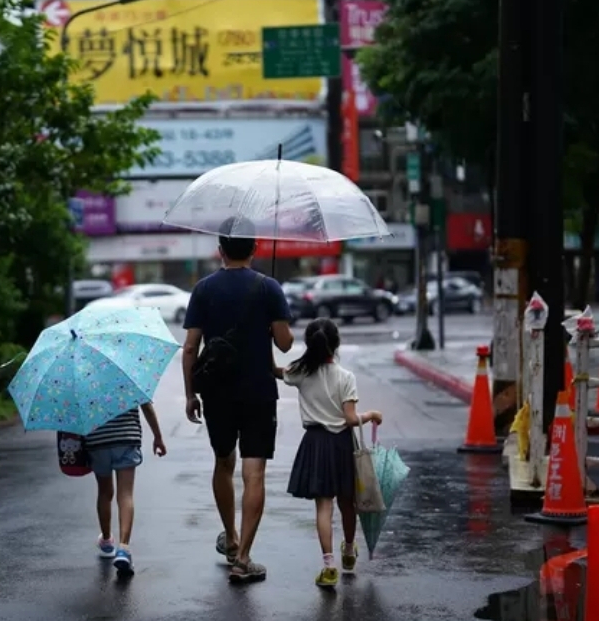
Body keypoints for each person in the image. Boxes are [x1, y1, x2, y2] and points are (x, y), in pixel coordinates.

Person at [181, 217, 294, 583]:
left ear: (220, 250)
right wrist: (273, 321)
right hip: (259, 391)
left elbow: (190, 348)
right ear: (255, 248)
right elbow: (285, 343)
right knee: (254, 471)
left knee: (223, 461)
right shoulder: (268, 287)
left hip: (217, 392)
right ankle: (243, 559)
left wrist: (190, 394)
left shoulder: (203, 289)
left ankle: (230, 539)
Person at [275, 318, 383, 588]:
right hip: (342, 444)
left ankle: (328, 566)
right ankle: (349, 550)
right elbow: (350, 419)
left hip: (315, 443)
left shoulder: (300, 372)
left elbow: (274, 371)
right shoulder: (346, 377)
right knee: (348, 503)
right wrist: (371, 415)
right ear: (336, 344)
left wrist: (268, 337)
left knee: (323, 506)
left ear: (309, 344)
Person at [87, 401, 167, 577]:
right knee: (125, 494)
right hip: (126, 437)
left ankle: (106, 540)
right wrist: (158, 436)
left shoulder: (85, 384)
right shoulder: (129, 383)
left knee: (104, 492)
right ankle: (123, 549)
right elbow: (147, 406)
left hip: (97, 440)